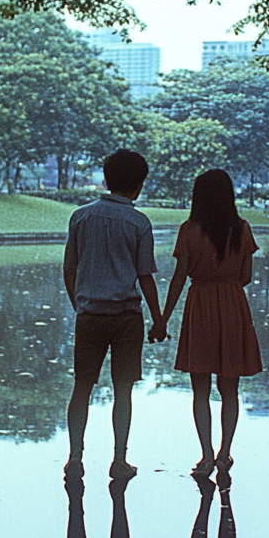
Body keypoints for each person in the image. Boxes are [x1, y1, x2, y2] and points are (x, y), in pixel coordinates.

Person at [63, 148, 166, 481]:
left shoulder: (81, 217)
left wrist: (78, 303)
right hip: (126, 317)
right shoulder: (138, 222)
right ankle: (119, 459)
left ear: (106, 180)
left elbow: (70, 267)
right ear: (138, 185)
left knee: (82, 386)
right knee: (123, 390)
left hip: (90, 314)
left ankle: (75, 457)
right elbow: (145, 276)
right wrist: (158, 319)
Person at [160, 169, 262, 477]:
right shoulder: (242, 229)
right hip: (232, 305)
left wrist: (163, 318)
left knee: (200, 389)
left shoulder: (189, 229)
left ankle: (205, 455)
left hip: (200, 304)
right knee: (230, 389)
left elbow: (179, 277)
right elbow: (246, 276)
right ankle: (225, 454)